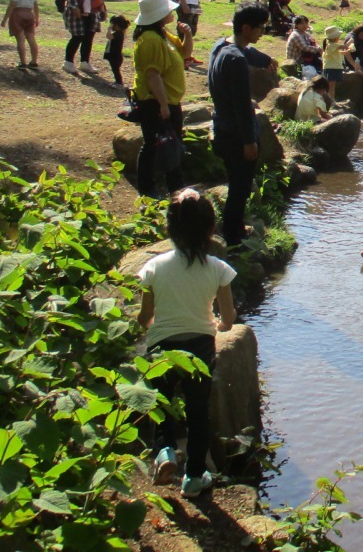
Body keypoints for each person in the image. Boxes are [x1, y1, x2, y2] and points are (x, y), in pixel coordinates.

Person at [136, 189, 236, 499]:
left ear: (170, 228)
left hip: (162, 347)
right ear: (210, 229)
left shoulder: (155, 267)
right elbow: (229, 318)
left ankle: (164, 452)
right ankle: (193, 477)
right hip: (200, 348)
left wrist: (155, 330)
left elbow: (145, 316)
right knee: (197, 412)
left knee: (162, 403)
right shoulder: (218, 269)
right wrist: (218, 325)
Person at [208, 5, 269, 247]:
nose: (262, 33)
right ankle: (233, 235)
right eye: (260, 28)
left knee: (236, 181)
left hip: (222, 125)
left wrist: (265, 59)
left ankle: (232, 225)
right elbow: (243, 105)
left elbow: (249, 50)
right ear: (246, 28)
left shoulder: (221, 47)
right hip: (236, 132)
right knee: (240, 185)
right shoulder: (236, 61)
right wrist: (249, 140)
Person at [131, 0, 188, 196]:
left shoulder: (163, 34)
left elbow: (185, 54)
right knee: (152, 145)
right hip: (154, 102)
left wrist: (187, 35)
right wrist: (163, 105)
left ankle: (175, 186)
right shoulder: (150, 39)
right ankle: (147, 189)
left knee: (172, 143)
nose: (172, 11)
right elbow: (152, 75)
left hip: (169, 100)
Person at [0, 0, 40, 69]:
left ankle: (23, 62)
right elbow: (35, 5)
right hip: (29, 14)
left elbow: (12, 5)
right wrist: (37, 18)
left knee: (20, 40)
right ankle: (34, 61)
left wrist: (5, 19)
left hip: (17, 14)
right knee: (31, 38)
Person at [286, 15, 322, 79]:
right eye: (302, 23)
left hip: (303, 59)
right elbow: (305, 47)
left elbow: (313, 42)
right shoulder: (295, 35)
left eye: (306, 23)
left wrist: (319, 48)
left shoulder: (304, 33)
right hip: (295, 61)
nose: (305, 25)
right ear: (297, 25)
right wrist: (318, 49)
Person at [321, 26, 345, 104]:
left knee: (332, 85)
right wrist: (351, 42)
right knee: (331, 86)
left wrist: (346, 52)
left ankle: (331, 99)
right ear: (334, 37)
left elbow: (339, 53)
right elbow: (344, 46)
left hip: (333, 68)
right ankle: (330, 100)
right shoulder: (332, 45)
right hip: (332, 68)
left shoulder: (331, 45)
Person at [105, 14, 131, 85]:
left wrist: (109, 29)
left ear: (116, 25)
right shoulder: (118, 33)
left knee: (115, 70)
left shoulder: (118, 34)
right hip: (114, 55)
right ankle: (118, 82)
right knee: (115, 69)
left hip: (115, 56)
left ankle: (119, 82)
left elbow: (108, 36)